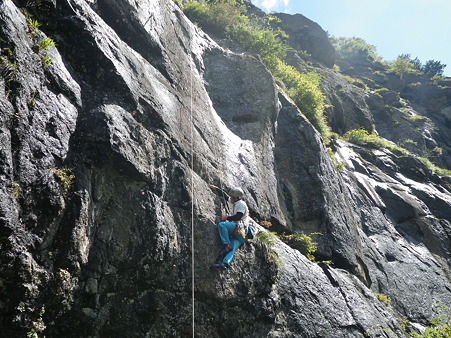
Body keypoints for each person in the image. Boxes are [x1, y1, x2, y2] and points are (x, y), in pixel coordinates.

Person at [208, 185, 249, 269]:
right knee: (233, 248)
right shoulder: (233, 201)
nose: (230, 197)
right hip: (242, 235)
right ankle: (225, 264)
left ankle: (227, 245)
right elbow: (225, 196)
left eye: (232, 196)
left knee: (222, 225)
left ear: (236, 197)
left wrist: (227, 218)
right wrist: (215, 188)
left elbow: (238, 216)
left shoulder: (241, 204)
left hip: (241, 228)